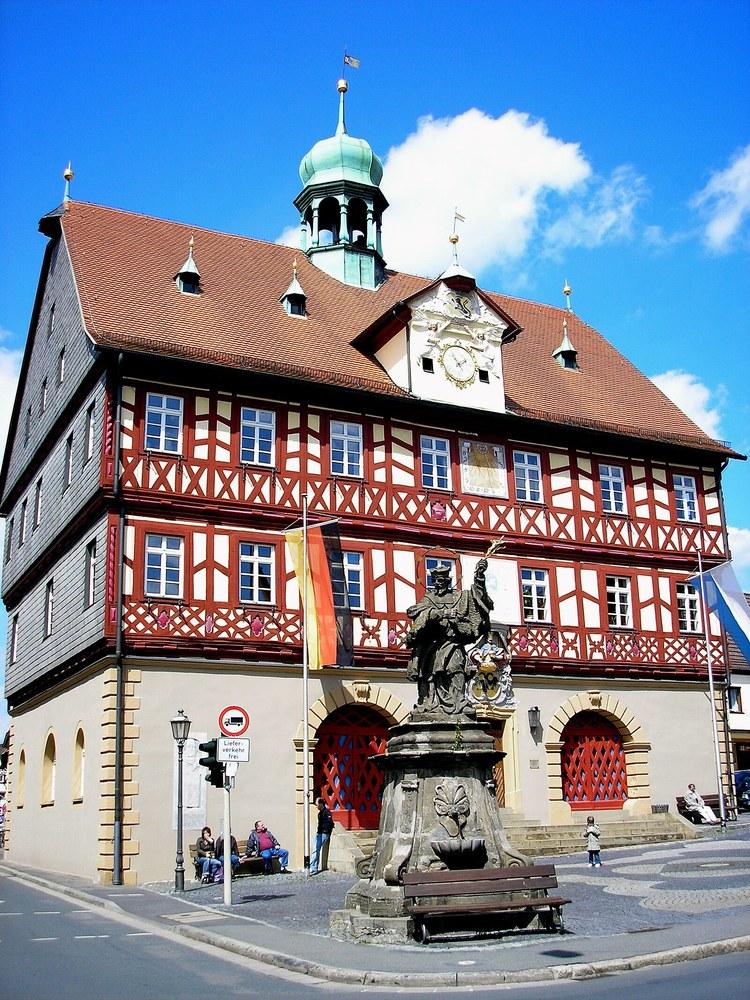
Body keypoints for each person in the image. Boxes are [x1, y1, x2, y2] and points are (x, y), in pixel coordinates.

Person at [405, 559, 493, 716]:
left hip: (453, 643)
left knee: (456, 667)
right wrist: (441, 613)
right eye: (435, 581)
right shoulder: (429, 599)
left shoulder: (460, 597)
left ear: (448, 581)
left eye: (442, 580)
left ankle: (459, 702)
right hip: (433, 645)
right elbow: (416, 613)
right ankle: (431, 703)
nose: (438, 583)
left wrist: (479, 577)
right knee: (432, 674)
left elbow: (479, 600)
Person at [310, 798, 334, 875]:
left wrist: (325, 831)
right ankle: (314, 867)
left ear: (321, 804)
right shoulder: (320, 813)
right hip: (319, 833)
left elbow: (330, 823)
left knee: (316, 849)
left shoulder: (326, 812)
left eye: (317, 805)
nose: (316, 806)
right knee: (315, 850)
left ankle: (313, 867)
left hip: (323, 833)